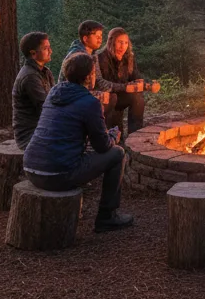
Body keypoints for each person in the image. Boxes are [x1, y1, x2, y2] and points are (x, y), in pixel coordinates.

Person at [23, 53, 133, 232]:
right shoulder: (89, 102)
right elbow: (102, 146)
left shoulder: (53, 93)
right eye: (93, 73)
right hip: (58, 174)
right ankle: (107, 216)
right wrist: (113, 136)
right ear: (89, 76)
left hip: (30, 168)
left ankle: (107, 215)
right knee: (118, 153)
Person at [97, 27, 160, 136]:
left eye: (126, 43)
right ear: (111, 42)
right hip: (106, 98)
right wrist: (125, 87)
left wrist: (149, 84)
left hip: (121, 95)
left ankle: (135, 135)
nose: (123, 46)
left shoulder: (128, 57)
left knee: (137, 96)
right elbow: (101, 84)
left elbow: (136, 77)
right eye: (120, 42)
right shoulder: (101, 58)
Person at [12, 31, 55, 148]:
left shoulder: (45, 72)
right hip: (30, 135)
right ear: (33, 53)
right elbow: (46, 108)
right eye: (46, 48)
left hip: (43, 128)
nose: (50, 51)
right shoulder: (30, 77)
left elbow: (55, 100)